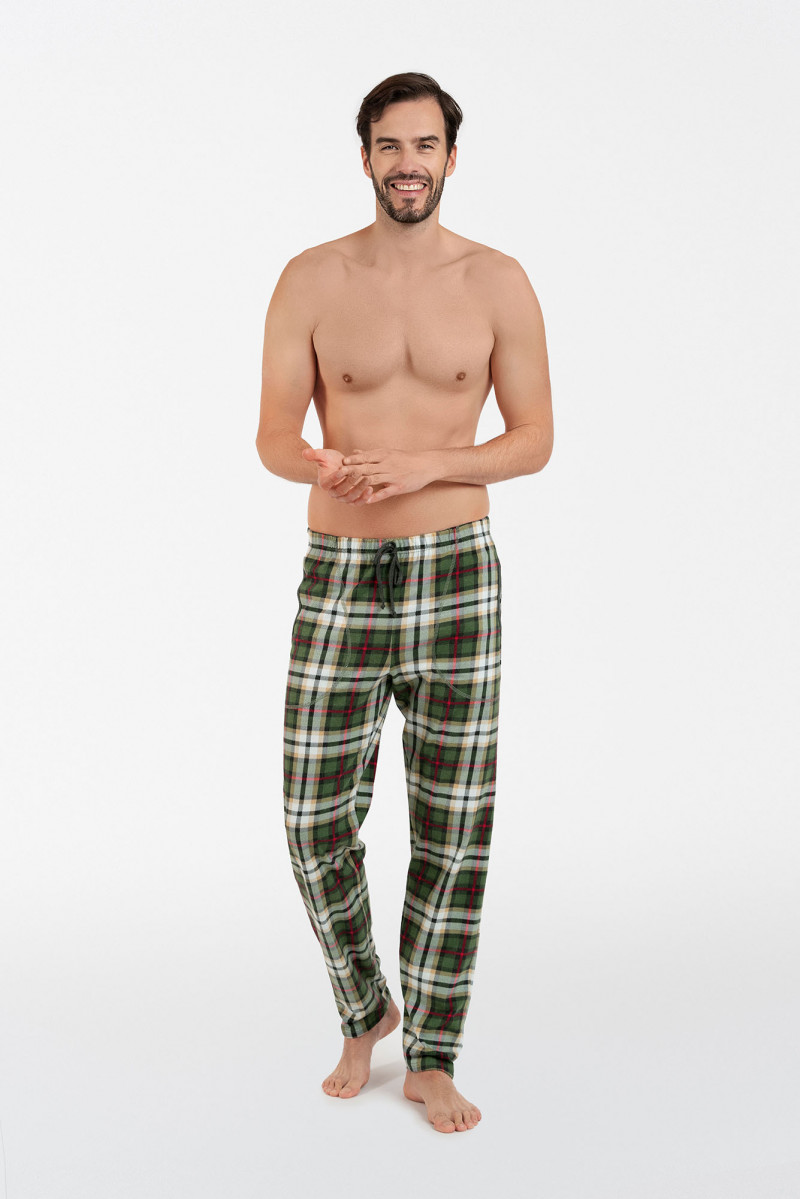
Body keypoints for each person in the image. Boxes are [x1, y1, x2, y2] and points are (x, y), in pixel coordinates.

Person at [255, 71, 553, 1134]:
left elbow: (533, 438)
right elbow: (272, 435)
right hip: (341, 570)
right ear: (366, 158)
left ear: (451, 158)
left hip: (457, 572)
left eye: (424, 145)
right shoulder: (310, 277)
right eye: (389, 146)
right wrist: (322, 463)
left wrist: (426, 464)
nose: (407, 163)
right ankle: (365, 1005)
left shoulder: (498, 281)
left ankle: (430, 1054)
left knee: (452, 824)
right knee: (311, 819)